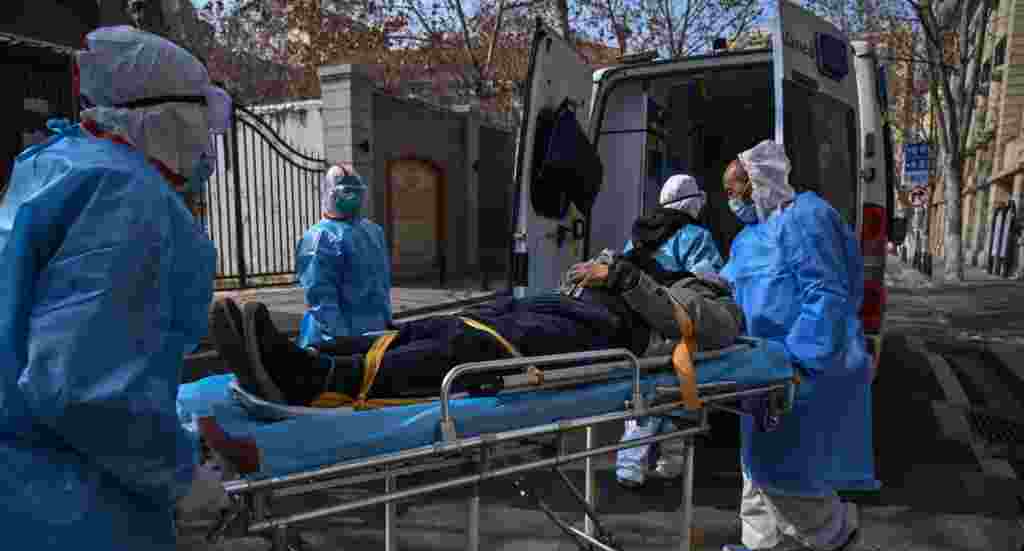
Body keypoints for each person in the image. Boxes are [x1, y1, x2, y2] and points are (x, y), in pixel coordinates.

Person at [0, 26, 229, 551]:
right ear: (158, 120)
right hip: (76, 518)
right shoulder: (133, 201)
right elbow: (84, 386)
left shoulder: (50, 167)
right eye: (201, 121)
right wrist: (182, 473)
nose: (208, 145)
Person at [209, 246, 744, 408]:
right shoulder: (663, 266)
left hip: (604, 336)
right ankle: (299, 356)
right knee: (438, 326)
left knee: (467, 346)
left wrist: (622, 275)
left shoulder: (715, 295)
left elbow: (706, 330)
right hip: (569, 309)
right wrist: (590, 274)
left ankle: (317, 379)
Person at [717, 140, 869, 551]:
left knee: (785, 462)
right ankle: (763, 539)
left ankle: (833, 533)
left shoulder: (806, 218)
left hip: (799, 358)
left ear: (758, 183)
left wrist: (801, 358)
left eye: (735, 192)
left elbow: (826, 294)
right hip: (759, 358)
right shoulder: (752, 235)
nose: (732, 202)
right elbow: (730, 284)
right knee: (754, 457)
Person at [617, 173, 726, 488]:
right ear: (692, 203)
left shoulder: (639, 233)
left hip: (641, 326)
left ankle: (629, 467)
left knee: (643, 393)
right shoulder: (696, 235)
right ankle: (671, 462)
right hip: (678, 321)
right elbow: (709, 279)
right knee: (679, 393)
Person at [296, 164, 392, 349]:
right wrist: (340, 338)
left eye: (357, 192)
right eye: (347, 192)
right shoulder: (318, 237)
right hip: (332, 339)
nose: (353, 197)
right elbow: (320, 295)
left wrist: (386, 320)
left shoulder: (373, 231)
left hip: (376, 331)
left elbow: (381, 283)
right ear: (330, 194)